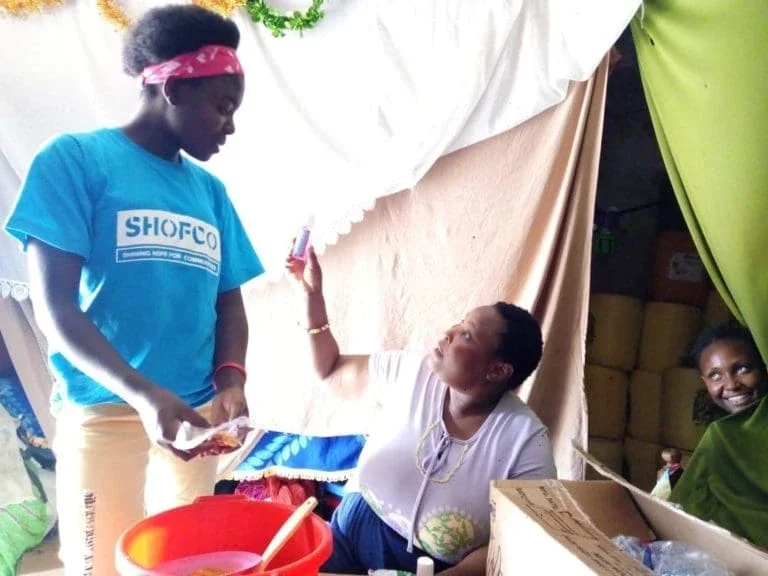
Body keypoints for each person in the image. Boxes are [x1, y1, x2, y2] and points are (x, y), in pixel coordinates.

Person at [3, 6, 263, 574]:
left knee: (181, 560)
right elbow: (56, 309)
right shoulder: (75, 161)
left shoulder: (211, 193)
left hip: (193, 418)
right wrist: (145, 396)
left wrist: (231, 382)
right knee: (98, 563)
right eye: (223, 106)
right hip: (105, 411)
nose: (230, 126)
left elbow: (229, 302)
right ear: (171, 88)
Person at [286, 247, 557, 575]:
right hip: (348, 539)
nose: (448, 334)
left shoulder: (524, 441)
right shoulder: (410, 372)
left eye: (467, 335)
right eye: (458, 324)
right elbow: (331, 370)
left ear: (497, 371)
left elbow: (517, 540)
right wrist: (313, 301)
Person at [669, 321, 768, 549]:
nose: (731, 385)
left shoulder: (720, 436)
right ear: (704, 382)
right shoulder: (724, 436)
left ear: (762, 366)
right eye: (715, 375)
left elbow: (683, 514)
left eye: (742, 368)